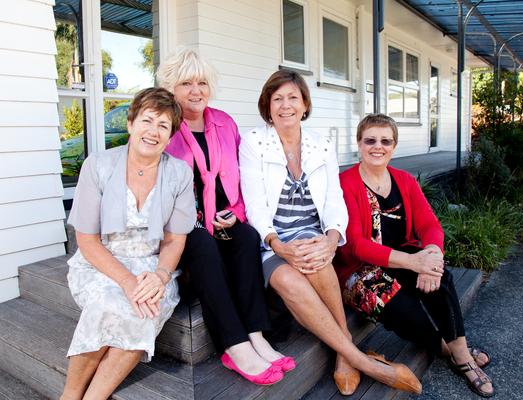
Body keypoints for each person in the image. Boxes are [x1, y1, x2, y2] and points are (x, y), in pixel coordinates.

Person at [239, 70, 422, 396]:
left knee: (319, 260)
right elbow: (254, 206)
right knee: (286, 280)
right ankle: (361, 360)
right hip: (271, 239)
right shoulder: (254, 142)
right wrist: (279, 246)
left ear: (304, 104)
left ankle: (343, 354)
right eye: (277, 98)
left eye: (292, 97)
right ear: (268, 106)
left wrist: (331, 238)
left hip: (312, 233)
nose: (285, 105)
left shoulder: (320, 145)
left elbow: (334, 203)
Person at [334, 113, 495, 397]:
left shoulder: (405, 180)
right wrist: (413, 261)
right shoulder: (345, 183)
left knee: (440, 276)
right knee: (403, 310)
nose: (378, 146)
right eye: (370, 140)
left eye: (386, 141)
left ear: (394, 146)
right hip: (360, 270)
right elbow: (356, 244)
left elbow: (429, 225)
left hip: (404, 256)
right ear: (358, 143)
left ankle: (462, 355)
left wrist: (431, 256)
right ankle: (447, 348)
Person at [156, 48, 289, 385]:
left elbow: (240, 179)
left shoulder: (224, 122)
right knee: (202, 244)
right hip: (184, 224)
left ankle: (256, 333)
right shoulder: (165, 127)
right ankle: (234, 344)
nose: (196, 90)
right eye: (186, 83)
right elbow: (160, 190)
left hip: (224, 219)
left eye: (202, 82)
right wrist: (198, 219)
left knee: (246, 236)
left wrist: (236, 214)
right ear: (171, 87)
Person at [61, 88, 196, 400]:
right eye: (147, 120)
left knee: (145, 311)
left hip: (153, 265)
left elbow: (176, 239)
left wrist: (161, 276)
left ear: (171, 134)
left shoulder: (179, 173)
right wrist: (126, 281)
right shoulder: (98, 165)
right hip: (103, 262)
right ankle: (69, 395)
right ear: (132, 123)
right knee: (108, 305)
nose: (153, 131)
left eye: (163, 125)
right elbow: (87, 240)